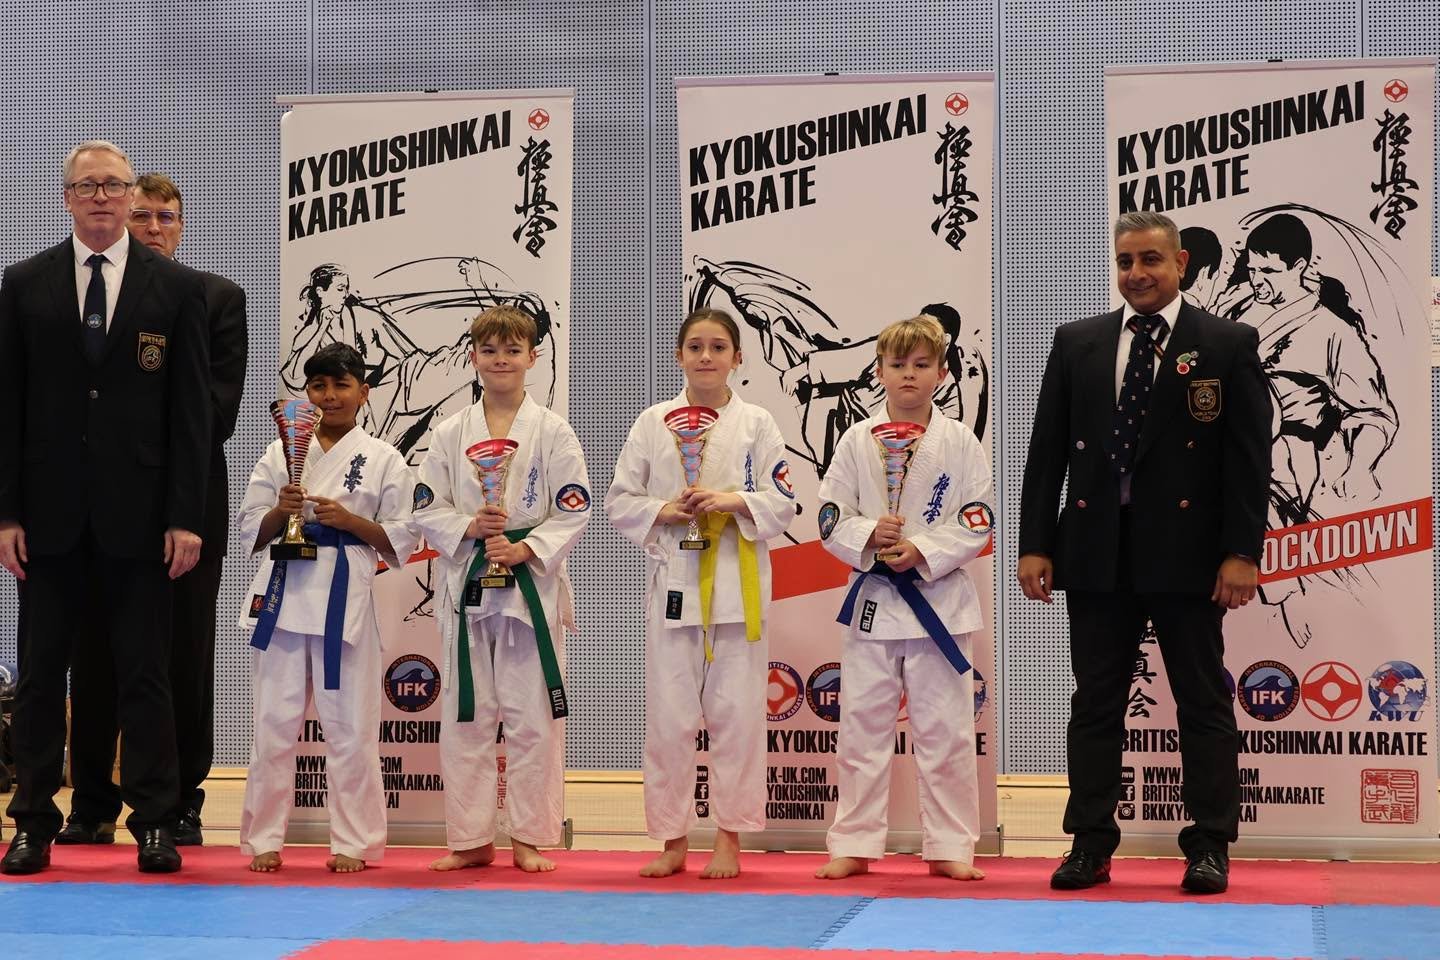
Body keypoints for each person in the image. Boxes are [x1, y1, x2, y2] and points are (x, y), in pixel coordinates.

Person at [1018, 211, 1271, 894]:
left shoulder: (1226, 343)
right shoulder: (1078, 342)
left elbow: (1249, 461)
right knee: (1096, 704)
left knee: (1202, 702)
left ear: (1180, 263)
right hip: (1096, 550)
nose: (1137, 273)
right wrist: (1036, 544)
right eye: (1126, 260)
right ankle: (1089, 843)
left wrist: (1241, 552)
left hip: (1190, 555)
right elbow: (1046, 455)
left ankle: (1209, 844)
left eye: (1151, 259)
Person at [0, 141, 211, 875]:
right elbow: (7, 406)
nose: (100, 197)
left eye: (113, 185)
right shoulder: (24, 283)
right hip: (47, 516)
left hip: (142, 516)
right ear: (66, 198)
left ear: (129, 197)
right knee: (39, 675)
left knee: (145, 673)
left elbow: (191, 415)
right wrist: (6, 514)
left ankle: (153, 820)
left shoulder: (175, 288)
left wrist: (185, 516)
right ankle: (32, 820)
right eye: (86, 186)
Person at [62, 172, 248, 848]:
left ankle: (181, 800)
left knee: (183, 655)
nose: (152, 228)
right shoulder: (85, 298)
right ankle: (91, 801)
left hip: (185, 504)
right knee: (95, 653)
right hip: (98, 507)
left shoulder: (214, 297)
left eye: (165, 217)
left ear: (182, 227)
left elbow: (214, 416)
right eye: (141, 216)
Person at [606, 307, 796, 879]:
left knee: (737, 717)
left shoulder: (757, 423)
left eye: (718, 347)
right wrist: (667, 510)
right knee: (670, 719)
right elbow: (620, 500)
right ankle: (673, 839)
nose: (706, 356)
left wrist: (733, 501)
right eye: (695, 347)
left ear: (738, 357)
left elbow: (784, 502)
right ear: (679, 356)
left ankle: (729, 838)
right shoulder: (652, 421)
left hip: (738, 587)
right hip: (676, 585)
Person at [813, 314, 992, 882]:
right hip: (875, 604)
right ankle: (853, 842)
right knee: (861, 729)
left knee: (946, 731)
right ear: (880, 371)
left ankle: (950, 846)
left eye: (921, 365)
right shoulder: (855, 440)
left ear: (942, 372)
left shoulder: (959, 442)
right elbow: (829, 514)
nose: (909, 375)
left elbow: (978, 517)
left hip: (938, 602)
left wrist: (922, 548)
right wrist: (869, 533)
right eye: (897, 365)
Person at [413, 306, 591, 873]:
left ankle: (529, 837)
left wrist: (526, 547)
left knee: (531, 717)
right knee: (466, 714)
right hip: (467, 582)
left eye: (513, 350)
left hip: (527, 588)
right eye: (490, 351)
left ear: (532, 357)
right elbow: (425, 506)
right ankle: (470, 838)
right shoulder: (449, 433)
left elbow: (574, 506)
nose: (501, 360)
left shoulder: (553, 430)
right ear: (473, 357)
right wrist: (469, 526)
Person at [235, 343, 417, 874]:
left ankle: (354, 840)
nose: (330, 396)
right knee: (273, 725)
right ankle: (263, 838)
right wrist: (280, 512)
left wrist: (351, 522)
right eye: (319, 386)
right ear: (306, 394)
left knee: (351, 730)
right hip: (284, 596)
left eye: (341, 385)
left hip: (346, 602)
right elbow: (249, 529)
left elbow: (404, 538)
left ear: (364, 392)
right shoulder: (279, 453)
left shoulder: (384, 458)